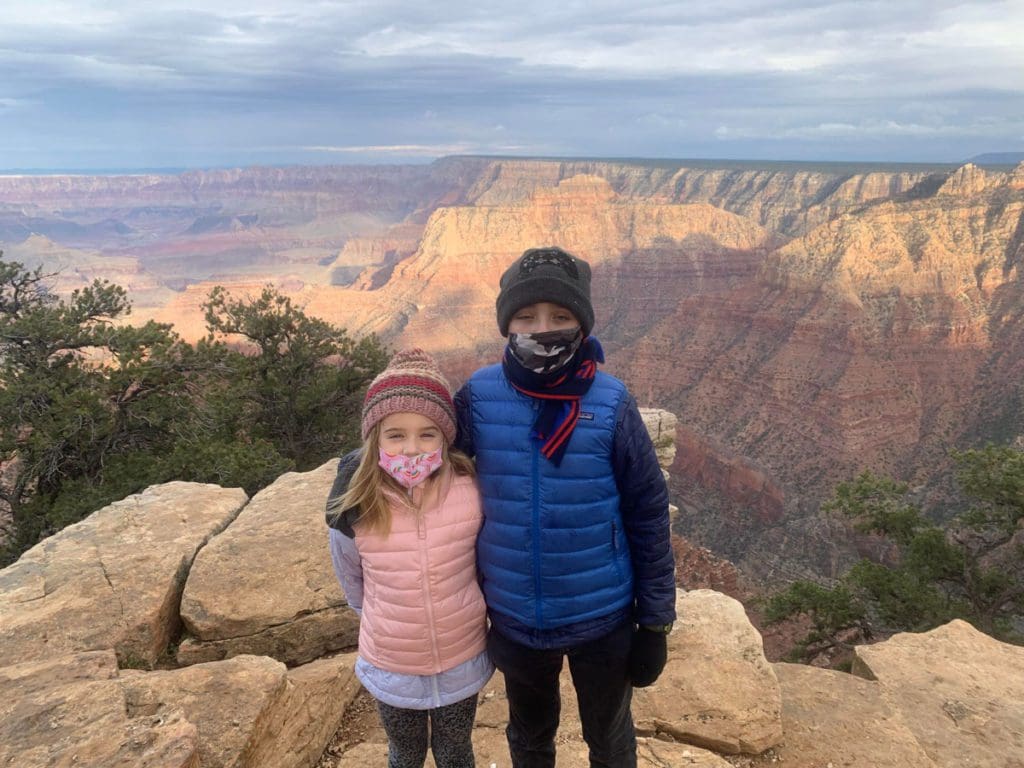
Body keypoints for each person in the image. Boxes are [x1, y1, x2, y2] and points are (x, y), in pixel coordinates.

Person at [453, 246, 677, 768]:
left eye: (560, 316)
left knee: (611, 739)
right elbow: (427, 465)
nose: (543, 327)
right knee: (529, 739)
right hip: (513, 615)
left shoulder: (611, 401)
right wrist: (361, 471)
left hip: (603, 615)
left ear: (582, 322)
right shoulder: (479, 397)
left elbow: (647, 512)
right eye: (526, 316)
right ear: (506, 323)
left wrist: (656, 623)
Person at [326, 348, 493, 768]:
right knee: (405, 752)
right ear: (374, 438)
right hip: (392, 661)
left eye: (427, 433)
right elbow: (350, 576)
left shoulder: (468, 488)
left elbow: (483, 563)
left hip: (461, 655)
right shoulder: (358, 502)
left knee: (456, 751)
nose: (412, 448)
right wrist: (380, 615)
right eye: (396, 434)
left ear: (445, 438)